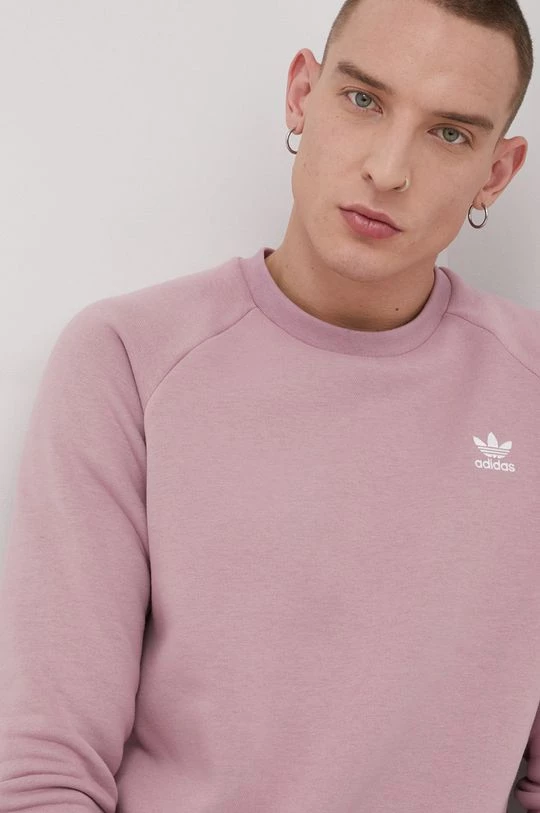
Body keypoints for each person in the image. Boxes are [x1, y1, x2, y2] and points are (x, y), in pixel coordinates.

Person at [0, 0, 537, 810]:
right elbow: (46, 767)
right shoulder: (129, 359)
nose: (389, 169)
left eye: (450, 133)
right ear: (301, 95)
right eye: (364, 100)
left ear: (496, 172)